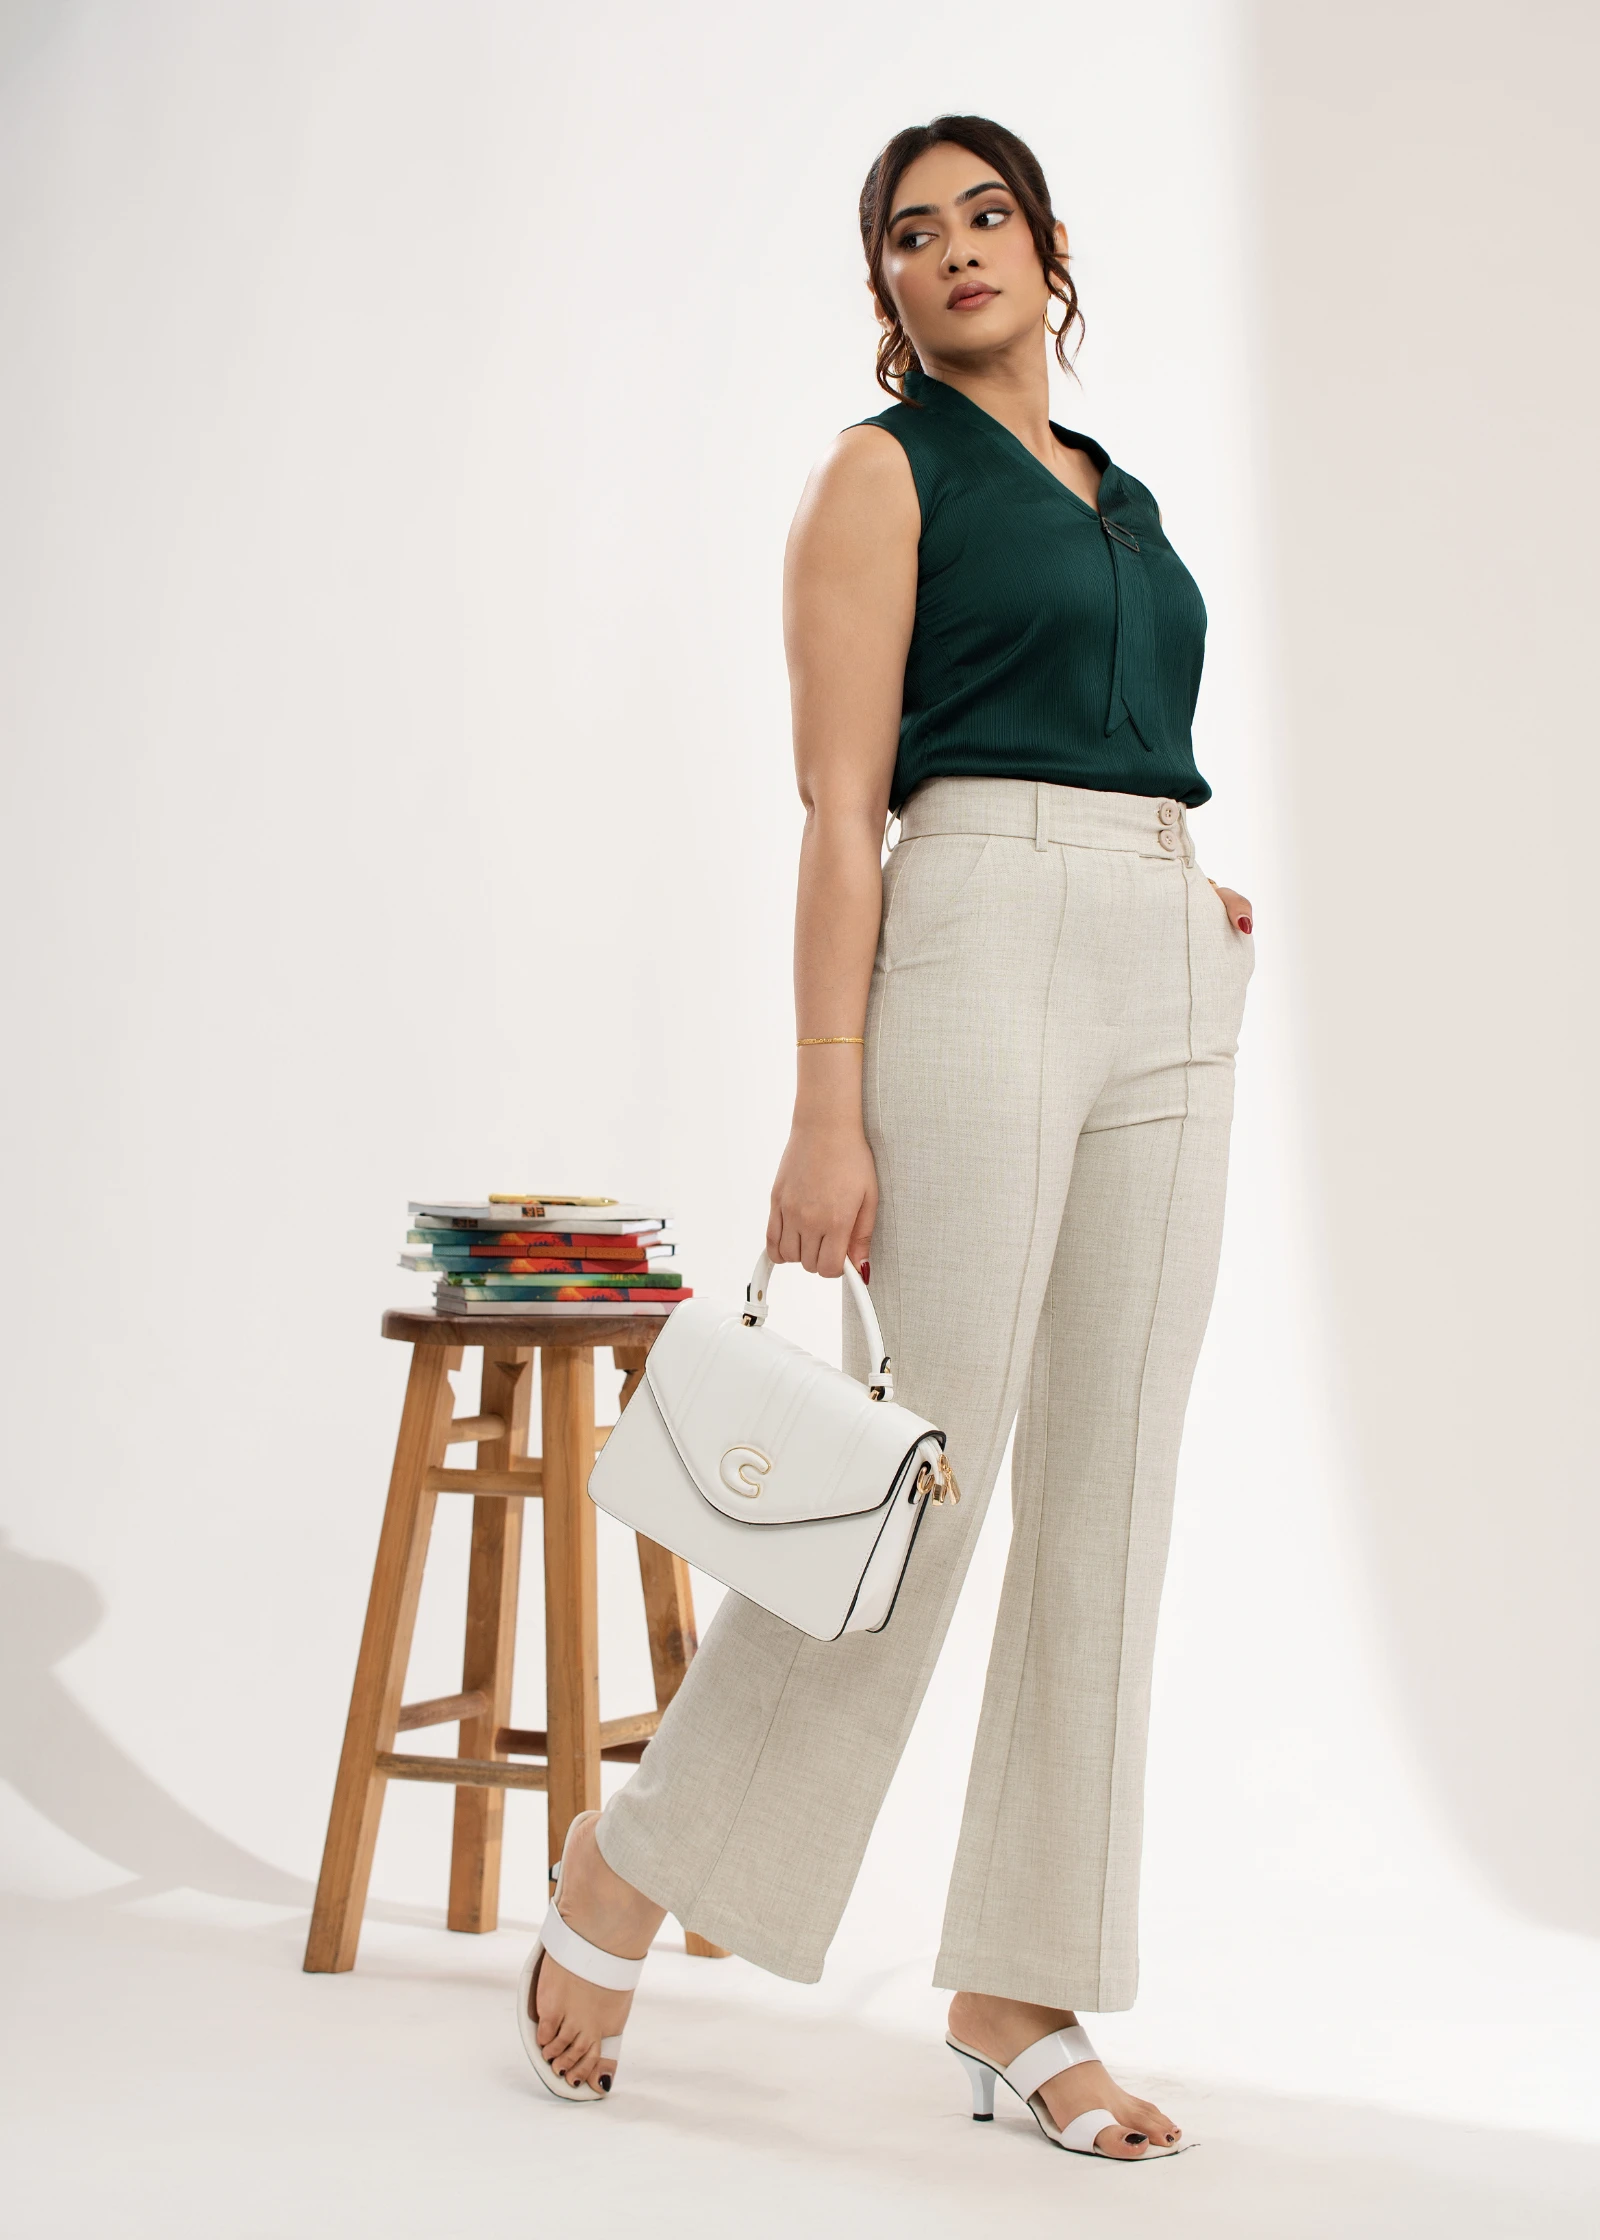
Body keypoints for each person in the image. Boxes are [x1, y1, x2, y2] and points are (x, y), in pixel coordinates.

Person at [522, 114, 1254, 2161]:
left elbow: (1125, 740)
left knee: (1113, 1496)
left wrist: (1168, 889)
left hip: (1164, 966)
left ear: (1048, 247)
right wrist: (821, 1097)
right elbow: (842, 808)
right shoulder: (880, 473)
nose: (954, 252)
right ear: (888, 291)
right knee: (920, 1474)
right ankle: (636, 1857)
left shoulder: (1121, 495)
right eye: (913, 236)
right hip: (970, 942)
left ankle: (1022, 1985)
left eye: (985, 216)